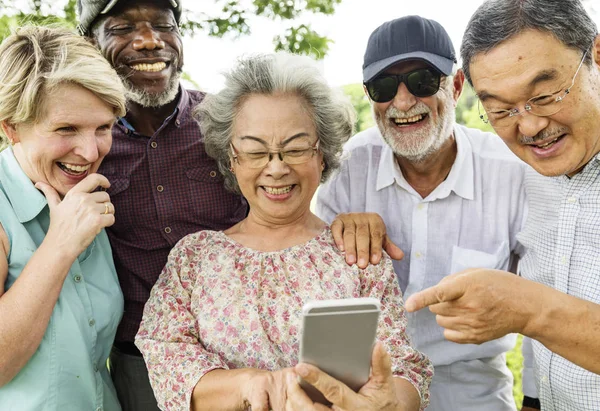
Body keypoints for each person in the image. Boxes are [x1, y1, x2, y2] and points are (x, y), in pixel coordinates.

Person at [76, 1, 402, 409]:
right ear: (231, 156)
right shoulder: (88, 140)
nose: (147, 40)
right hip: (144, 359)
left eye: (163, 24)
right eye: (123, 27)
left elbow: (401, 371)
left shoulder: (228, 115)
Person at [134, 52, 433, 411]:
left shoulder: (356, 254)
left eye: (294, 149)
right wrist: (252, 385)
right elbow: (166, 356)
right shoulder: (194, 259)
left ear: (323, 154)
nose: (276, 169)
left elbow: (403, 367)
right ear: (231, 157)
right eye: (255, 151)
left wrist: (390, 403)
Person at [316, 15, 529, 411]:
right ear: (370, 95)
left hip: (473, 389)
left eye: (422, 81)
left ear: (458, 85)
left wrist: (533, 398)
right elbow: (308, 283)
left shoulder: (512, 172)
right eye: (383, 86)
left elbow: (543, 295)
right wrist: (332, 233)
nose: (402, 102)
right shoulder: (344, 172)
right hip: (367, 387)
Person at [405, 0, 600, 410]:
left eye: (546, 95)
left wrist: (528, 308)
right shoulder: (528, 171)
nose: (528, 126)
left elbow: (534, 309)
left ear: (597, 56)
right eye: (500, 110)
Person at [0, 26, 126, 410]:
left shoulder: (85, 193)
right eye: (66, 128)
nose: (90, 152)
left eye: (103, 127)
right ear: (11, 127)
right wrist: (60, 244)